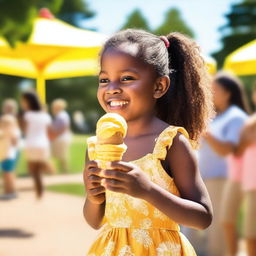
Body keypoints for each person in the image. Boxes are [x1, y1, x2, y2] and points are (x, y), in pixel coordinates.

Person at [83, 29, 213, 255]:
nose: (112, 88)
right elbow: (94, 221)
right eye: (104, 79)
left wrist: (147, 190)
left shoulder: (170, 142)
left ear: (159, 86)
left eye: (126, 78)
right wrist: (93, 196)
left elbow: (202, 217)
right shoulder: (97, 146)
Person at [196, 72, 249, 256]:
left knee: (218, 231)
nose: (210, 93)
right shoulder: (218, 117)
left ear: (227, 93)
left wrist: (205, 131)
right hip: (207, 178)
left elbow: (228, 150)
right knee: (205, 230)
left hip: (222, 179)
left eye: (214, 90)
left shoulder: (236, 117)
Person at [21, 91, 52, 198]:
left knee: (33, 171)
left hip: (32, 144)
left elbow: (25, 130)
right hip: (43, 144)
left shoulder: (28, 115)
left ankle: (39, 193)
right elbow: (48, 130)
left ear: (28, 101)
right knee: (38, 171)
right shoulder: (44, 115)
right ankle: (40, 191)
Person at [0, 111, 20, 199]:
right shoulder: (12, 131)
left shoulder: (10, 132)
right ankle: (8, 191)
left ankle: (11, 191)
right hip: (6, 155)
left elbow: (14, 143)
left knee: (8, 174)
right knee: (7, 174)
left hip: (8, 155)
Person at [50, 99, 71, 173]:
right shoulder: (62, 115)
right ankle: (63, 170)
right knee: (62, 155)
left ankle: (59, 170)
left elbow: (63, 128)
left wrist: (54, 135)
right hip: (62, 137)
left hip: (61, 138)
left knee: (60, 155)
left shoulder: (61, 115)